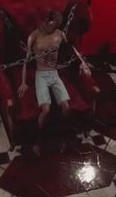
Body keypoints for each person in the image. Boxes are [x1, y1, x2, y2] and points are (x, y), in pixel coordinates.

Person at [17, 9, 91, 138]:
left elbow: (71, 49)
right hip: (41, 75)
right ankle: (39, 136)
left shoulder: (60, 34)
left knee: (66, 107)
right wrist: (23, 82)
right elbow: (25, 61)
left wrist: (82, 62)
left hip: (54, 73)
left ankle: (65, 132)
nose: (47, 26)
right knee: (46, 110)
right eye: (46, 22)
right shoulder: (33, 37)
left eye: (52, 24)